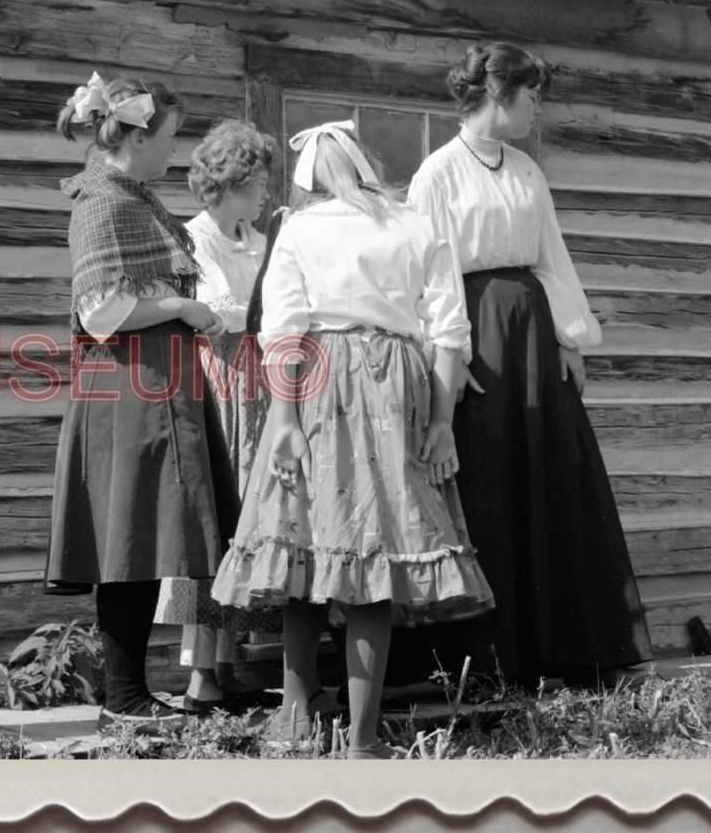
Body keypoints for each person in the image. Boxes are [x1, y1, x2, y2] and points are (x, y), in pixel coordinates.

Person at [212, 121, 493, 758]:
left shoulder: (301, 229)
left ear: (308, 179)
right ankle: (360, 739)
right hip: (396, 382)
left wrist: (282, 421)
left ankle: (295, 713)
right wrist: (443, 420)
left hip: (313, 381)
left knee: (301, 539)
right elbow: (450, 333)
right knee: (377, 545)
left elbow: (280, 330)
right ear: (364, 165)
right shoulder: (416, 223)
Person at [405, 43, 654, 688]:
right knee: (489, 482)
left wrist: (570, 337)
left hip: (533, 336)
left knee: (554, 478)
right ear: (499, 93)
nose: (537, 106)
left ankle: (563, 649)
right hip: (476, 334)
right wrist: (449, 356)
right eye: (533, 94)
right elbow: (430, 277)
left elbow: (552, 256)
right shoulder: (436, 174)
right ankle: (486, 659)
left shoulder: (527, 172)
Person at [42, 72, 231, 727]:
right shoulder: (102, 202)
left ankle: (128, 691)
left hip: (152, 380)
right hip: (128, 383)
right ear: (138, 136)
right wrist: (181, 304)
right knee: (128, 534)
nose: (174, 152)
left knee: (145, 532)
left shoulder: (131, 195)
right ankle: (123, 695)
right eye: (170, 137)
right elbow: (99, 310)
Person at [154, 119, 279, 712]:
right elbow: (212, 310)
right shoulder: (193, 237)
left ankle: (230, 661)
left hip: (265, 386)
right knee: (213, 526)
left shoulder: (259, 240)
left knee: (253, 522)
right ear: (235, 180)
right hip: (218, 388)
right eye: (258, 182)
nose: (266, 194)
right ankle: (200, 669)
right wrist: (251, 319)